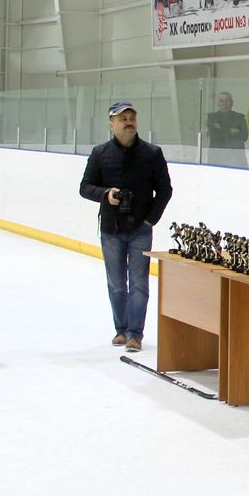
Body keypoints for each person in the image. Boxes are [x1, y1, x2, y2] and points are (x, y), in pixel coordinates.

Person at [79, 101, 172, 353]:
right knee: (117, 283)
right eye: (122, 119)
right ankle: (120, 329)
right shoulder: (100, 153)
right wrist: (105, 193)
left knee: (139, 282)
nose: (128, 122)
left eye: (132, 118)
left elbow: (165, 190)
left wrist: (150, 220)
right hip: (111, 229)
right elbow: (85, 187)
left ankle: (135, 334)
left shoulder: (152, 153)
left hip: (141, 228)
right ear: (112, 124)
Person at [205, 91, 248, 167]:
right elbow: (215, 135)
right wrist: (231, 130)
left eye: (227, 101)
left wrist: (221, 129)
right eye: (221, 101)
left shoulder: (239, 117)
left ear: (232, 103)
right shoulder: (212, 117)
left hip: (235, 157)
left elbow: (244, 136)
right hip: (216, 157)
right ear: (217, 103)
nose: (224, 103)